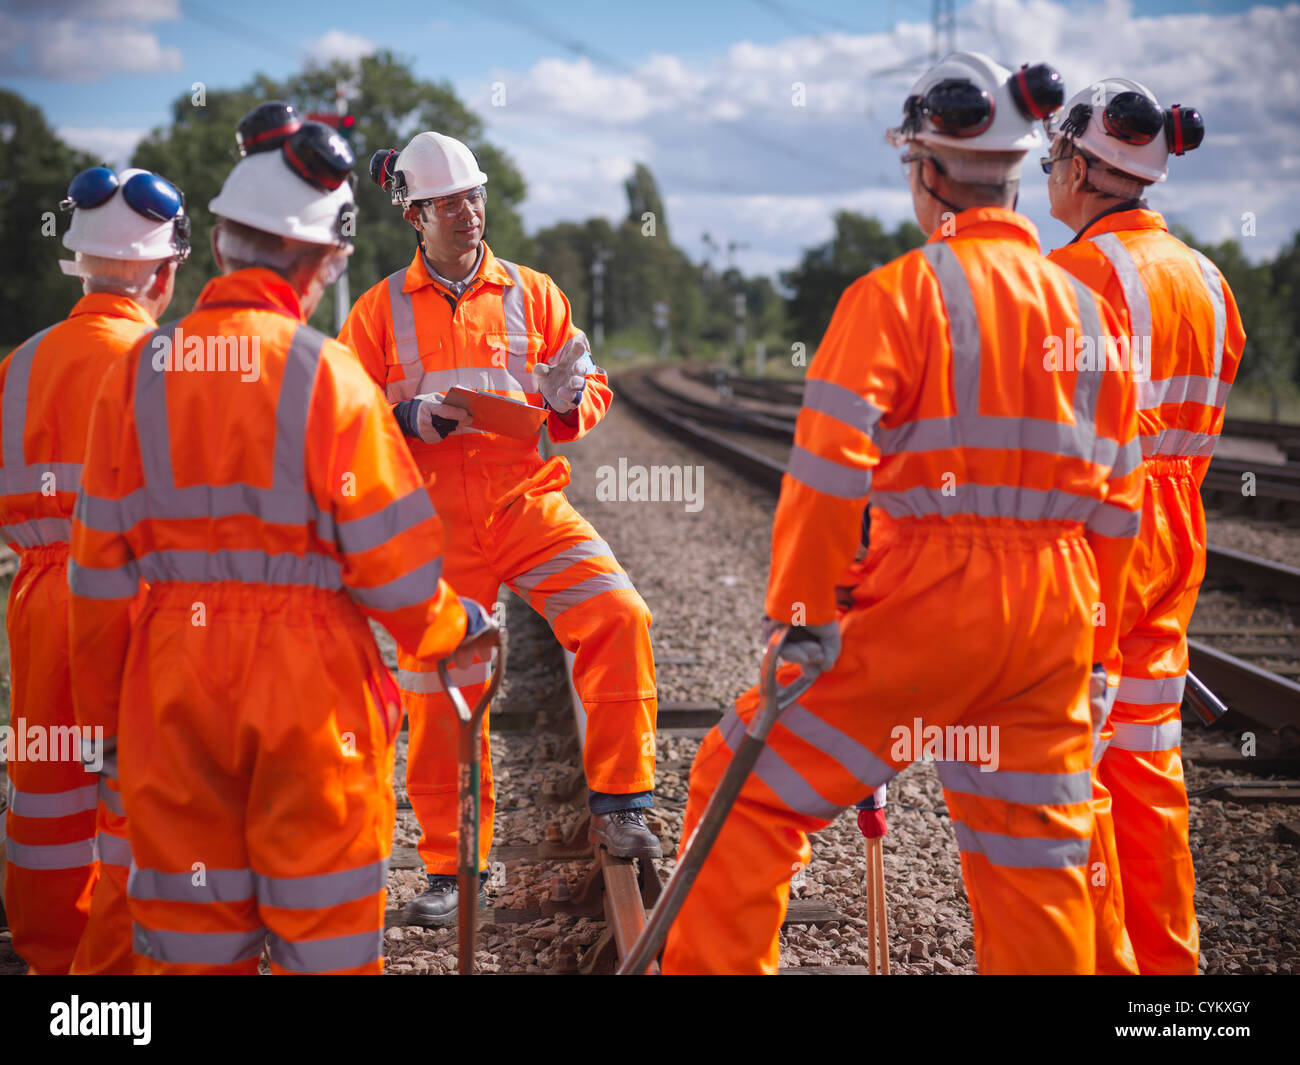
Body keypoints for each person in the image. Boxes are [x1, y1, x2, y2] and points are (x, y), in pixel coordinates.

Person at [661, 52, 1145, 975]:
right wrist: (1098, 650)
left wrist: (802, 619)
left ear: (928, 172)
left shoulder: (895, 297)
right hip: (1055, 617)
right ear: (1013, 176)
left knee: (746, 789)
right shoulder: (1091, 315)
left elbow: (829, 472)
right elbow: (1120, 509)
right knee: (1036, 860)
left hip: (931, 596)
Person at [67, 120, 493, 974]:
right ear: (323, 259)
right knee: (325, 938)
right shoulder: (327, 375)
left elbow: (96, 576)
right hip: (310, 697)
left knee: (187, 945)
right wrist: (456, 631)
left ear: (220, 245)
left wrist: (106, 727)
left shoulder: (141, 370)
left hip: (171, 685)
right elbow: (396, 568)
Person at [340, 131, 659, 927]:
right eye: (447, 203)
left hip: (527, 504)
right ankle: (455, 874)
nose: (467, 213)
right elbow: (341, 420)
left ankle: (622, 801)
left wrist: (564, 396)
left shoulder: (536, 293)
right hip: (432, 526)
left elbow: (588, 399)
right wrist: (405, 416)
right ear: (414, 215)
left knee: (620, 614)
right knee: (441, 690)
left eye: (474, 197)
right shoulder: (377, 310)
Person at [1044, 79, 1245, 975]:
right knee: (1148, 761)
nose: (1050, 177)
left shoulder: (1076, 275)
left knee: (1071, 763)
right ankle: (1172, 983)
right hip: (1178, 533)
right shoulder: (1208, 279)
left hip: (1101, 536)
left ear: (1084, 169)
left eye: (1054, 161)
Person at [0, 165, 188, 974]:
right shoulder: (167, 365)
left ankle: (50, 957)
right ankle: (124, 975)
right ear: (166, 270)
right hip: (135, 604)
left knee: (47, 788)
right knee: (136, 797)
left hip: (40, 601)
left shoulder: (19, 365)